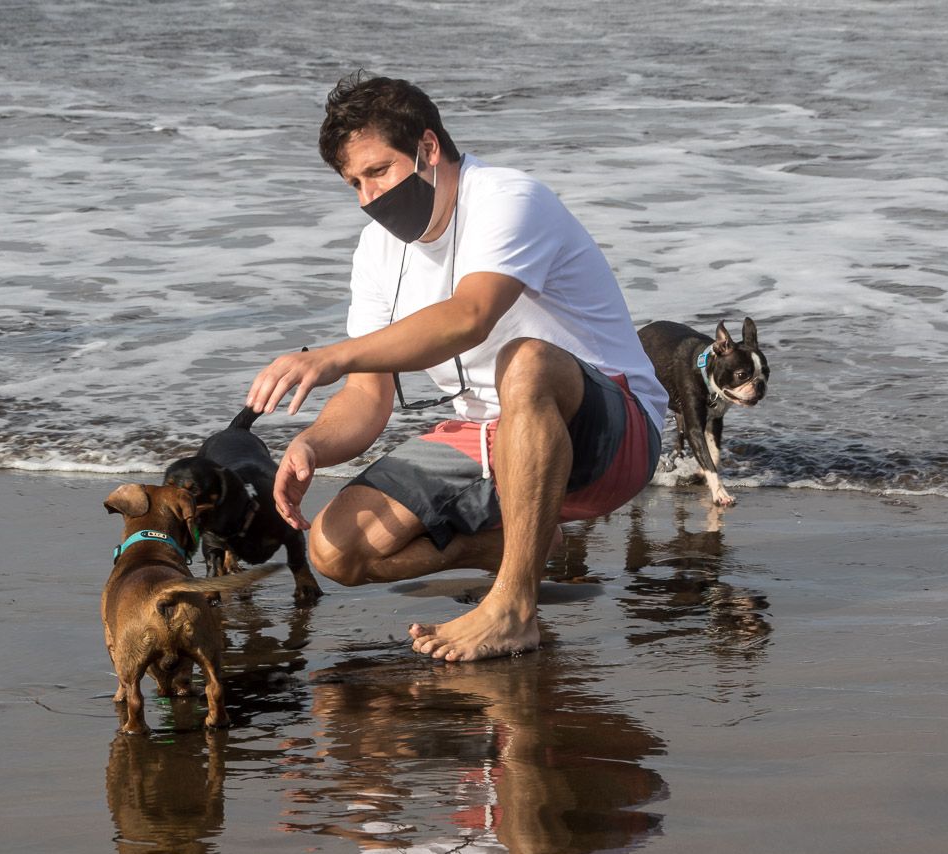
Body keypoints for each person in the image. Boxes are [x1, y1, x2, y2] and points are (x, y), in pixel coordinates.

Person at [246, 73, 667, 662]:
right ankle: (522, 543)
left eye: (379, 171)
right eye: (353, 184)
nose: (368, 198)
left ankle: (514, 610)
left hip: (610, 431)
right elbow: (369, 398)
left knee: (524, 362)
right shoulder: (375, 250)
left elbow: (469, 316)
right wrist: (313, 443)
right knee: (335, 549)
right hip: (487, 438)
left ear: (427, 148)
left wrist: (330, 356)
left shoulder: (508, 199)